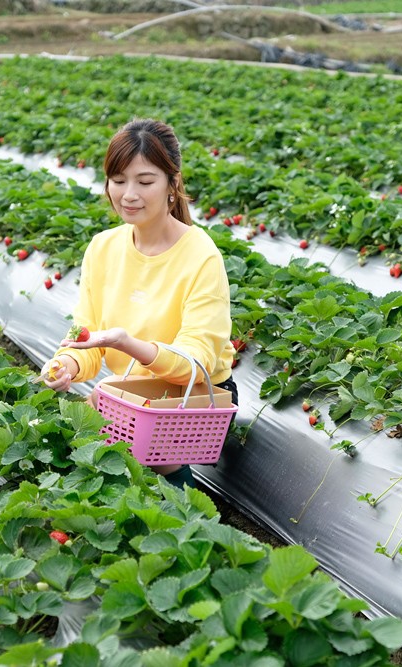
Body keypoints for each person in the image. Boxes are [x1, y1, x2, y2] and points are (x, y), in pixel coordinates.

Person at [41, 118, 238, 489]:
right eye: (118, 181)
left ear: (172, 183)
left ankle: (187, 519)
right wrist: (66, 363)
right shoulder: (103, 248)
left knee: (118, 424)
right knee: (69, 437)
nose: (129, 194)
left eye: (145, 181)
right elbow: (85, 339)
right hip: (132, 392)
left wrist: (125, 343)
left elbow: (196, 362)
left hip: (193, 396)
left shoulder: (200, 255)